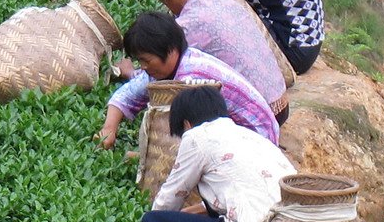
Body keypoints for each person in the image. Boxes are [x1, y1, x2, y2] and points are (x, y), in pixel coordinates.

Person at [139, 87, 295, 222]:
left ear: (186, 125)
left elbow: (168, 201)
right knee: (214, 220)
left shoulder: (196, 137)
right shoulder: (251, 137)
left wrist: (157, 216)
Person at [139, 0, 289, 122]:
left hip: (259, 116)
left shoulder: (189, 25)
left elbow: (162, 69)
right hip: (280, 102)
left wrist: (130, 72)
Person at [97, 11, 281, 149]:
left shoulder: (191, 78)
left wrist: (146, 156)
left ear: (170, 50)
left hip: (257, 139)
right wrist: (109, 129)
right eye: (139, 61)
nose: (143, 67)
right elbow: (126, 95)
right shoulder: (166, 68)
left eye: (146, 60)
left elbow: (190, 140)